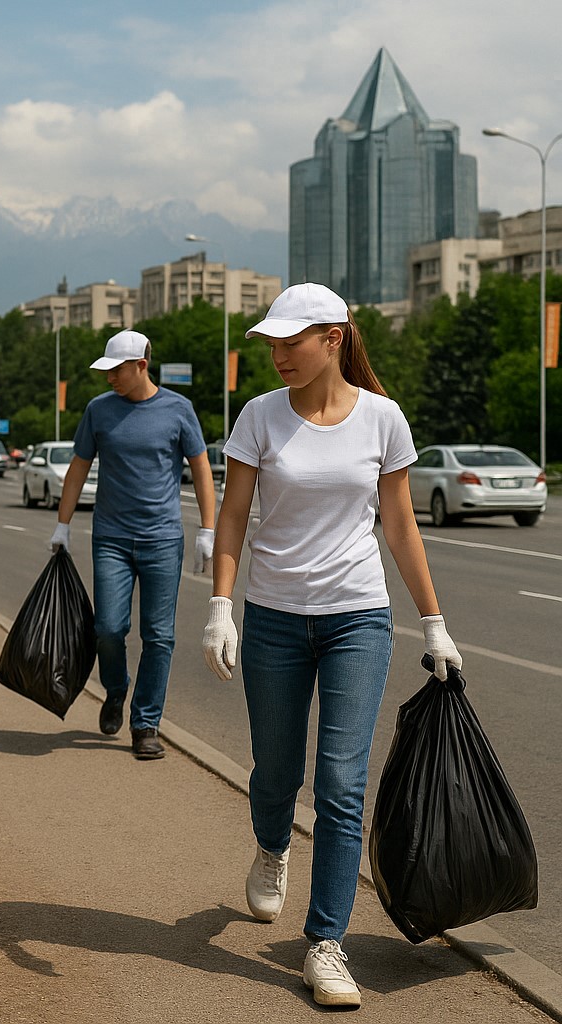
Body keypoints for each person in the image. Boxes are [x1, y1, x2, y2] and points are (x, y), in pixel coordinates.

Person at [201, 283, 462, 1008]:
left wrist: (433, 621)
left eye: (293, 341)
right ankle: (271, 848)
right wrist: (221, 605)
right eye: (274, 344)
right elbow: (233, 517)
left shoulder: (383, 419)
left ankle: (326, 944)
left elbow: (401, 527)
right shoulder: (258, 417)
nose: (279, 355)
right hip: (276, 618)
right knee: (276, 772)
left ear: (334, 339)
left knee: (342, 787)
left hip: (358, 618)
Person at [49, 330, 216, 759]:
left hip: (162, 539)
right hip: (111, 539)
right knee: (107, 627)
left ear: (141, 365)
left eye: (116, 370)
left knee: (159, 637)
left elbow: (201, 469)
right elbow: (78, 467)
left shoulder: (179, 410)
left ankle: (145, 724)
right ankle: (117, 687)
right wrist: (62, 526)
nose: (109, 379)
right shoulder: (99, 411)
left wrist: (207, 529)